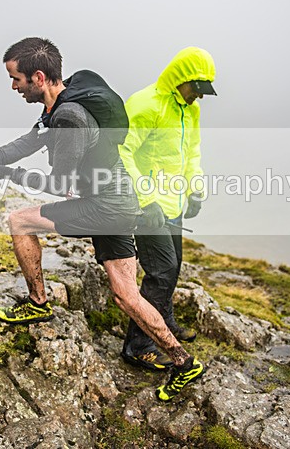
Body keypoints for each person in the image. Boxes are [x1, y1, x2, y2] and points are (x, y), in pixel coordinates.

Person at [0, 37, 203, 401]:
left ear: (38, 78)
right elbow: (32, 139)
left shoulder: (69, 118)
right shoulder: (68, 96)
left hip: (104, 207)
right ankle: (184, 362)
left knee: (19, 221)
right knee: (126, 295)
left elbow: (58, 185)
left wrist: (6, 174)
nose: (13, 87)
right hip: (120, 201)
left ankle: (37, 303)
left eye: (16, 79)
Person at [118, 47, 216, 370]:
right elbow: (122, 151)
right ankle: (138, 345)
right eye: (196, 89)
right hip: (147, 207)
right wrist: (146, 200)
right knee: (161, 272)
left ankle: (165, 322)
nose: (198, 97)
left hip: (173, 204)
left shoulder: (190, 110)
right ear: (181, 79)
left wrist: (195, 190)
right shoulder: (147, 104)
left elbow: (191, 153)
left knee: (173, 268)